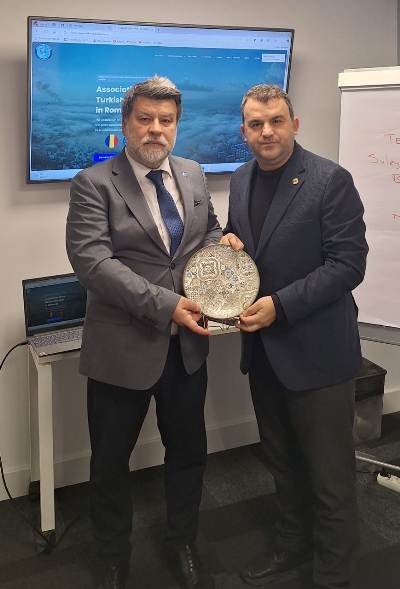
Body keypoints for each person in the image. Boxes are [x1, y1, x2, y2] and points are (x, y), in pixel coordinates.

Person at [66, 76, 221, 589]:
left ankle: (182, 543)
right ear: (126, 122)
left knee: (189, 454)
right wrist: (169, 306)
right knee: (111, 463)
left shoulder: (193, 173)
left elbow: (208, 231)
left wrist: (223, 248)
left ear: (177, 125)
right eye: (146, 119)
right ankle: (113, 556)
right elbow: (93, 264)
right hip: (122, 349)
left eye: (166, 120)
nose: (156, 129)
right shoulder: (93, 183)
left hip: (187, 350)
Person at [221, 84, 368, 589]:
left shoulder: (330, 180)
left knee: (330, 478)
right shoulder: (240, 179)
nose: (267, 132)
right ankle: (292, 547)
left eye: (276, 121)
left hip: (318, 354)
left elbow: (347, 265)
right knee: (283, 465)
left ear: (294, 124)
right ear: (244, 132)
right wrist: (228, 239)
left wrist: (280, 306)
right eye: (256, 124)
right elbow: (241, 236)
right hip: (264, 355)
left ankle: (333, 575)